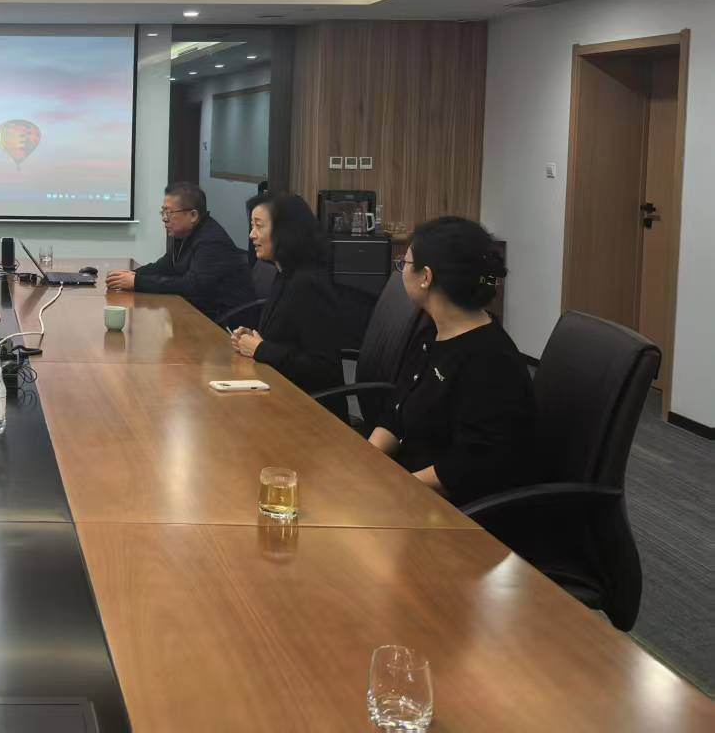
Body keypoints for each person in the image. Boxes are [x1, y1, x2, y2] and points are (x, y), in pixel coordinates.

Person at [368, 217, 533, 505]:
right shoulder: (432, 333)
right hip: (409, 487)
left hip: (450, 511)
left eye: (405, 263)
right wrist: (364, 461)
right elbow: (396, 412)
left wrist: (388, 487)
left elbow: (467, 468)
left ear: (426, 277)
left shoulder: (491, 362)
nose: (401, 270)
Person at [231, 193, 345, 397]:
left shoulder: (309, 284)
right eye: (252, 226)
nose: (251, 235)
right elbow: (287, 339)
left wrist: (261, 349)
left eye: (259, 226)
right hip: (279, 388)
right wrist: (251, 338)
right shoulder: (285, 273)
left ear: (285, 231)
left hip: (308, 405)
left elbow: (324, 367)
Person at [106, 182, 255, 321]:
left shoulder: (211, 241)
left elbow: (193, 286)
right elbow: (164, 266)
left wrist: (137, 282)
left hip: (223, 322)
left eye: (169, 213)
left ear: (193, 215)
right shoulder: (184, 234)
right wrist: (131, 275)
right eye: (163, 212)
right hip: (197, 312)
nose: (164, 219)